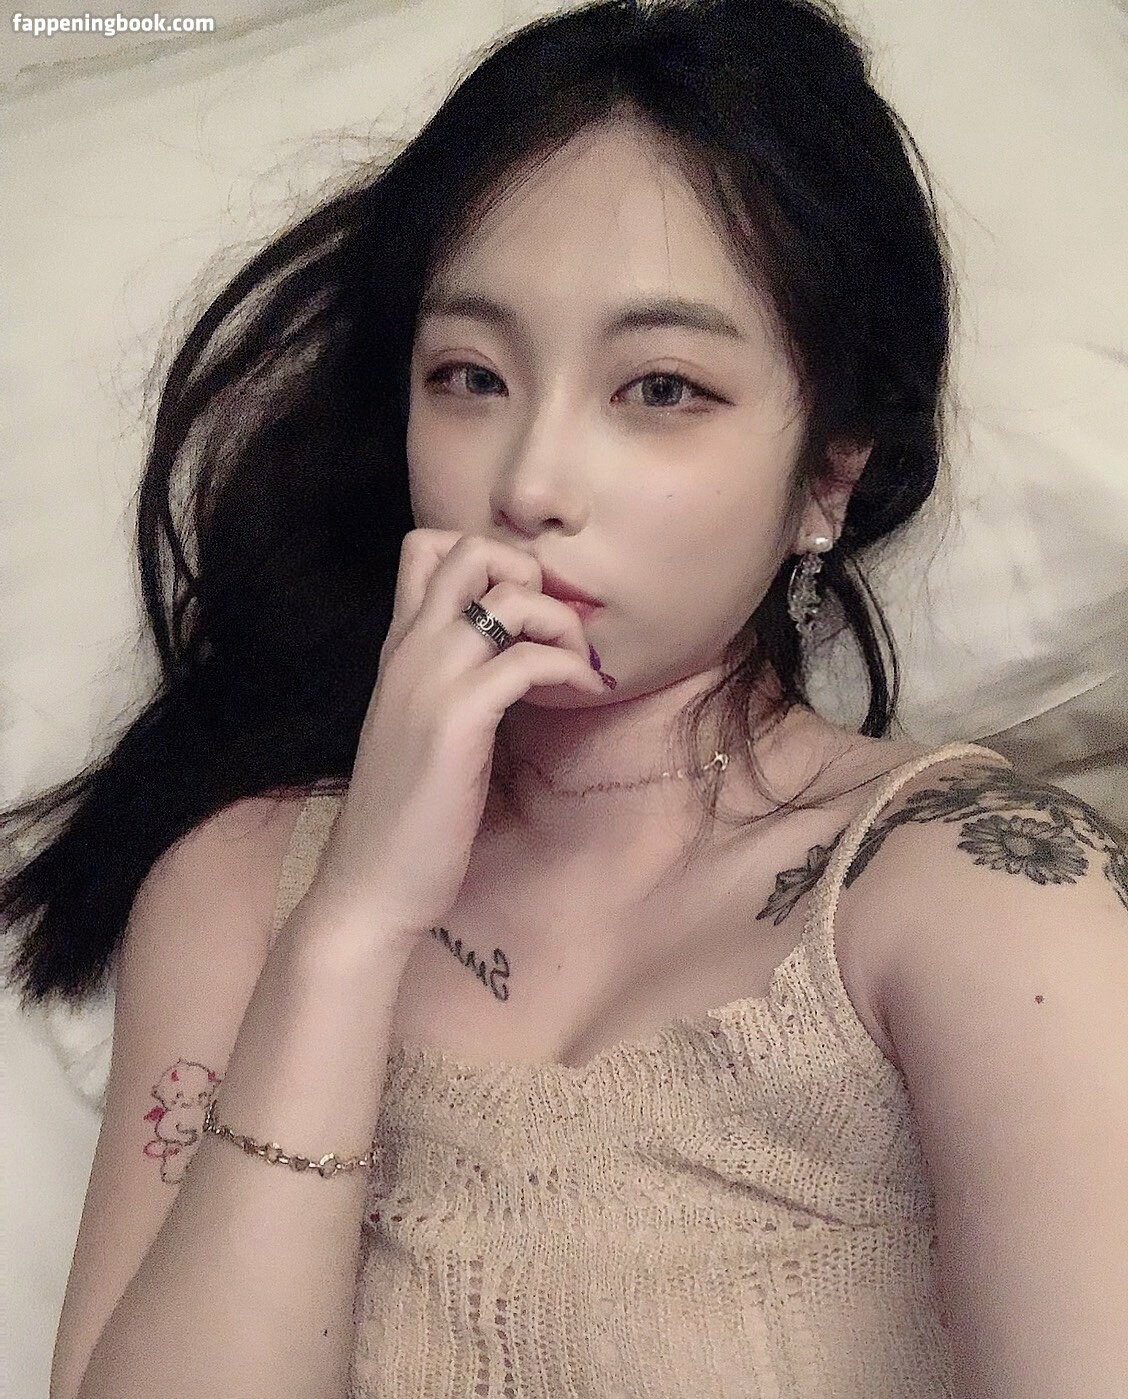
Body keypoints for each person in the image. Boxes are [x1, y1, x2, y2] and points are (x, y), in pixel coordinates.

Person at [4, 1, 1123, 1397]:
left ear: (828, 476)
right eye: (470, 377)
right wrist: (353, 929)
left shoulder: (983, 893)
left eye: (661, 388)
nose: (529, 482)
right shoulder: (240, 888)